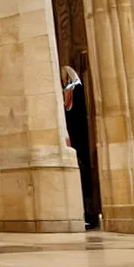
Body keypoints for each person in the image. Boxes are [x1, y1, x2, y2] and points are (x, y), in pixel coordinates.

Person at [61, 66, 97, 229]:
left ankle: (90, 214)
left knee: (85, 178)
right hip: (74, 138)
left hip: (79, 138)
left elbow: (73, 112)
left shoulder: (76, 89)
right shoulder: (69, 91)